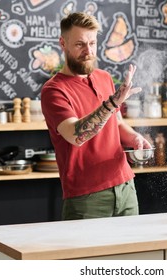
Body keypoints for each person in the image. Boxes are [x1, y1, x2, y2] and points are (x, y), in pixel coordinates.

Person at [41, 12, 152, 220]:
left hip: (126, 186)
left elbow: (116, 124)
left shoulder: (104, 78)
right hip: (86, 197)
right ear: (62, 43)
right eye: (80, 44)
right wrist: (112, 103)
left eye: (92, 43)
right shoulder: (54, 90)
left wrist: (134, 137)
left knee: (132, 252)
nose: (88, 51)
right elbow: (76, 135)